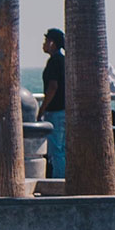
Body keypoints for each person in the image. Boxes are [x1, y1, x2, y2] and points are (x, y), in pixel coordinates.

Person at [39, 29, 66, 179]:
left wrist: (42, 108)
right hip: (64, 110)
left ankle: (59, 181)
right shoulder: (63, 60)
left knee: (56, 150)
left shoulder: (54, 61)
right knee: (62, 149)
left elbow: (53, 87)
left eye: (45, 41)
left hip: (56, 111)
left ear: (52, 43)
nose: (43, 45)